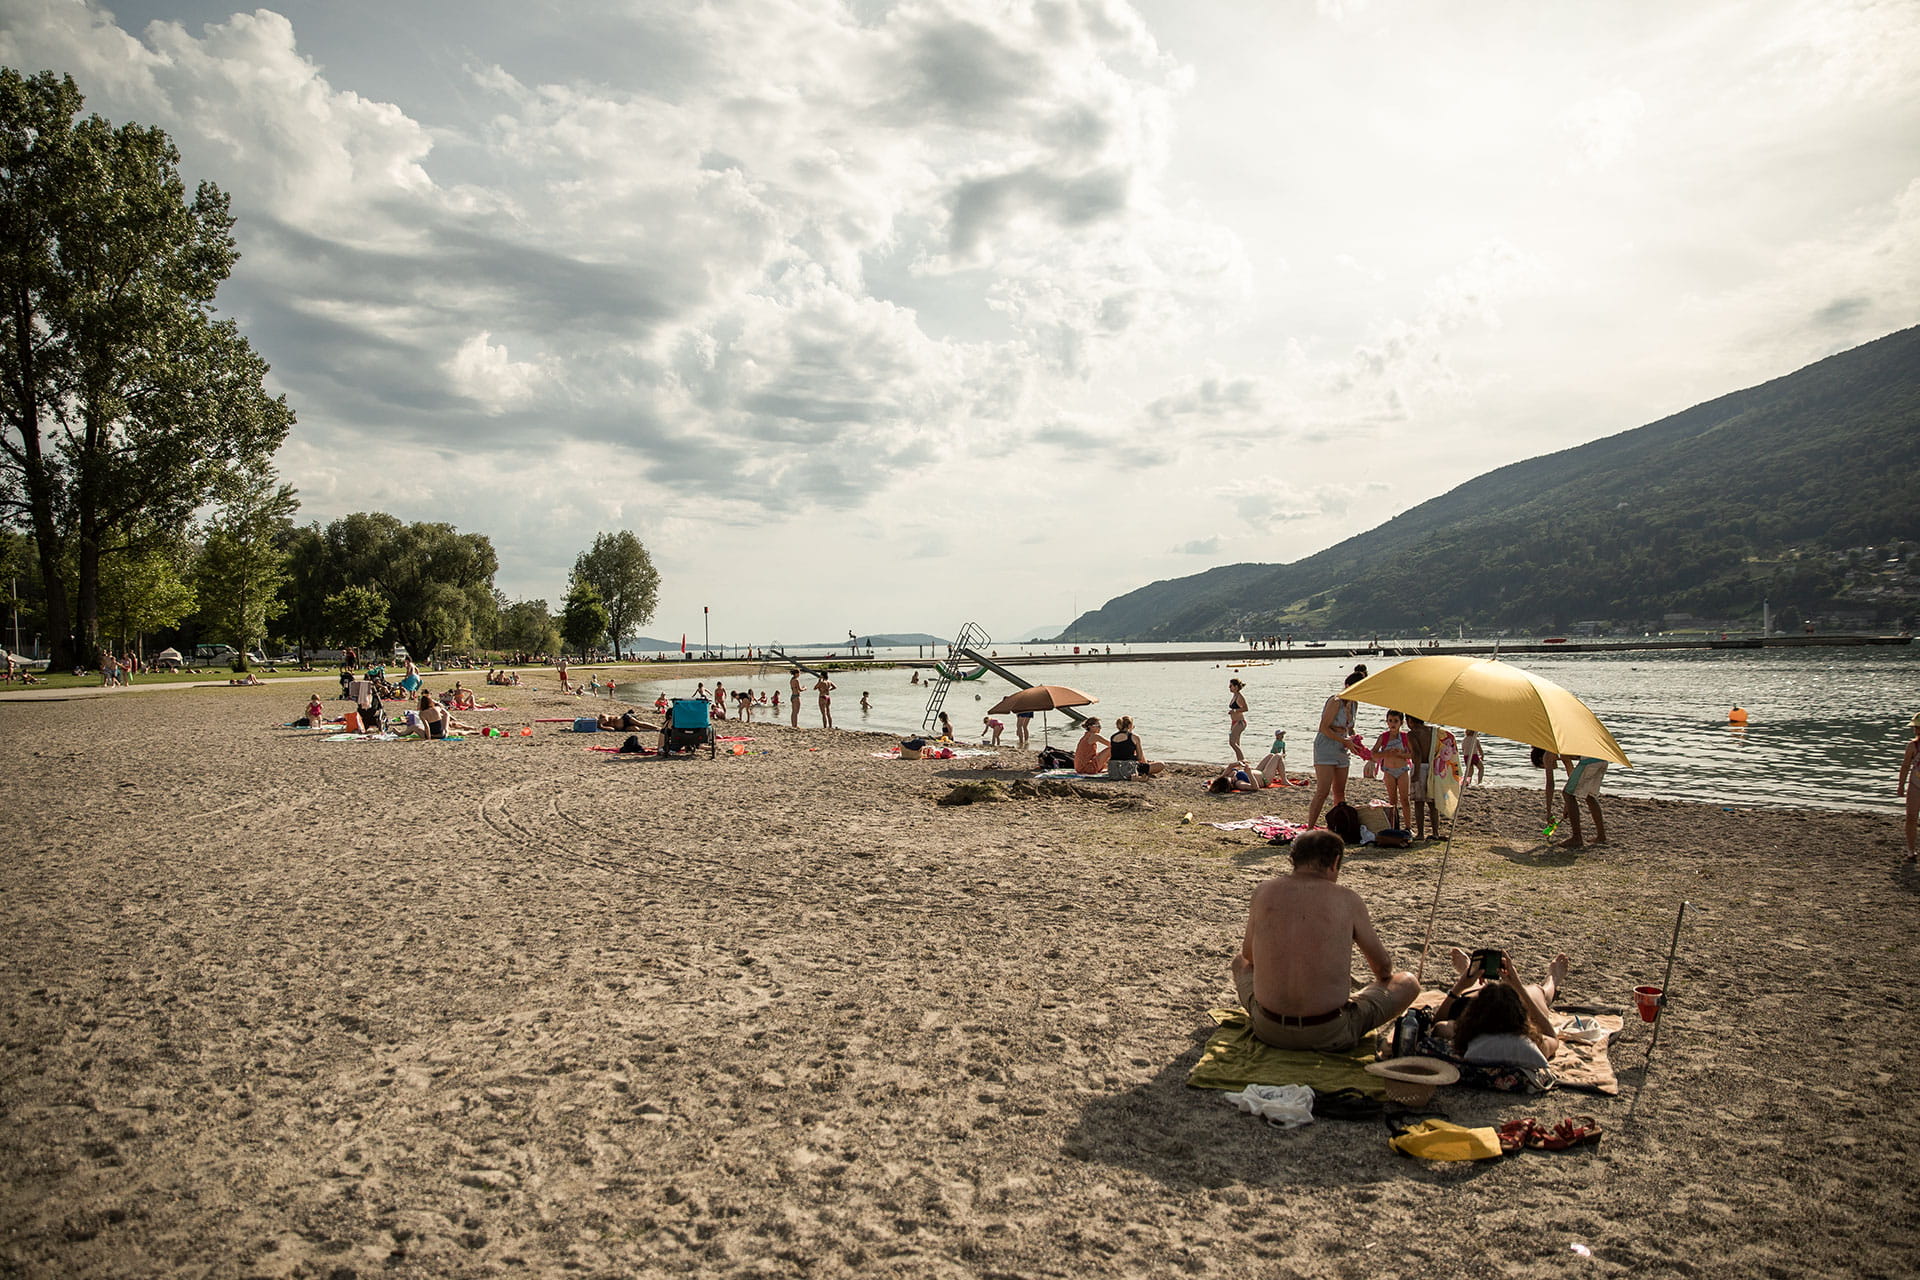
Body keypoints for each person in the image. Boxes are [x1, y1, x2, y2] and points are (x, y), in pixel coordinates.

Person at [1230, 830, 1420, 1052]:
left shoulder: (1263, 891)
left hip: (1268, 1028)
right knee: (1408, 982)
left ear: (1294, 859)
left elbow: (1249, 956)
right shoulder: (1348, 899)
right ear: (1335, 862)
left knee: (1239, 963)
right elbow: (1383, 968)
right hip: (1329, 1032)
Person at [1432, 948, 1571, 1068]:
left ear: (1473, 1011)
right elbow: (1552, 1036)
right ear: (1521, 1015)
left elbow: (1435, 1024)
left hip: (1474, 1010)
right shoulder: (1535, 1045)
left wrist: (1460, 986)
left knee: (1483, 991)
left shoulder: (1460, 1033)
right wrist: (1519, 988)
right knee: (1537, 992)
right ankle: (1551, 980)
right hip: (1517, 1010)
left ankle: (1471, 976)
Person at [1306, 671, 1364, 828]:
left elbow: (1349, 728)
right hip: (1326, 746)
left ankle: (1338, 827)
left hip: (1342, 746)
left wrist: (1354, 740)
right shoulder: (1336, 701)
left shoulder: (1354, 704)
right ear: (1347, 686)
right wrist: (1344, 741)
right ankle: (1310, 828)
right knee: (1323, 791)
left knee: (1340, 791)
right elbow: (1323, 728)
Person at [1371, 710, 1414, 830]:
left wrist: (1401, 755)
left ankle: (1408, 827)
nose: (1393, 724)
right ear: (1387, 722)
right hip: (1389, 771)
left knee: (1405, 800)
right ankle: (1394, 827)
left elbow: (1412, 754)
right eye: (1390, 721)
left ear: (1401, 723)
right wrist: (1386, 753)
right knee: (1392, 801)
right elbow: (1374, 754)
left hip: (1402, 770)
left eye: (1396, 721)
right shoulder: (1383, 737)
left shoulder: (1405, 737)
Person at [1557, 754, 1609, 848]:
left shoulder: (1560, 747)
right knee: (1590, 796)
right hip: (1602, 759)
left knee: (1567, 794)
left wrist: (1568, 804)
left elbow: (1568, 763)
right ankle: (1601, 836)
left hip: (1589, 762)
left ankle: (1576, 837)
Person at [1901, 713, 1920, 863]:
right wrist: (1901, 785)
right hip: (1915, 785)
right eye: (1915, 728)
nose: (1916, 730)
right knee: (1911, 817)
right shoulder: (1912, 746)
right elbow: (1905, 766)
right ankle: (1911, 850)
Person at [1226, 678, 1249, 763]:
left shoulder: (1239, 697)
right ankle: (1239, 761)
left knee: (1232, 742)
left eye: (1231, 686)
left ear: (1236, 687)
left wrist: (1234, 711)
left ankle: (1242, 760)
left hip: (1240, 722)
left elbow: (1246, 708)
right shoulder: (1234, 695)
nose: (1229, 687)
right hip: (1234, 722)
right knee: (1236, 743)